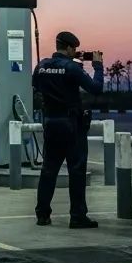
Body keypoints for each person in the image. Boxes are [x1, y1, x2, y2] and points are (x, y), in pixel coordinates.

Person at [32, 31, 104, 229]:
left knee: (49, 170)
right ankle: (78, 216)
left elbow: (37, 88)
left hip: (50, 123)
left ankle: (42, 214)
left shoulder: (41, 66)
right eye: (75, 49)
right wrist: (97, 66)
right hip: (71, 125)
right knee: (76, 170)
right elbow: (96, 88)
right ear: (70, 48)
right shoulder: (72, 68)